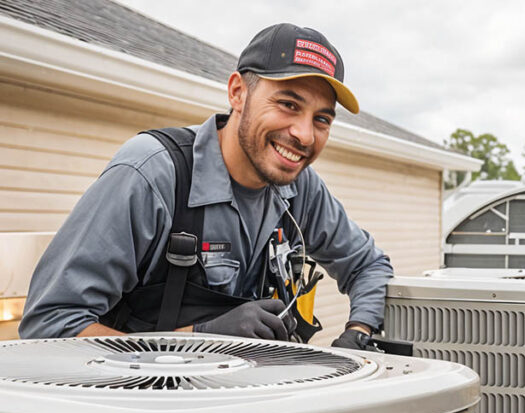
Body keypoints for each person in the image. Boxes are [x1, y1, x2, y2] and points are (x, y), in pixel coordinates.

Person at [19, 23, 392, 349]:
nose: (304, 135)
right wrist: (201, 340)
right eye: (288, 104)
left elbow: (369, 266)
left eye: (321, 119)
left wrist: (357, 334)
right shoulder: (153, 175)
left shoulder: (300, 190)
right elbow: (50, 326)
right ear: (237, 93)